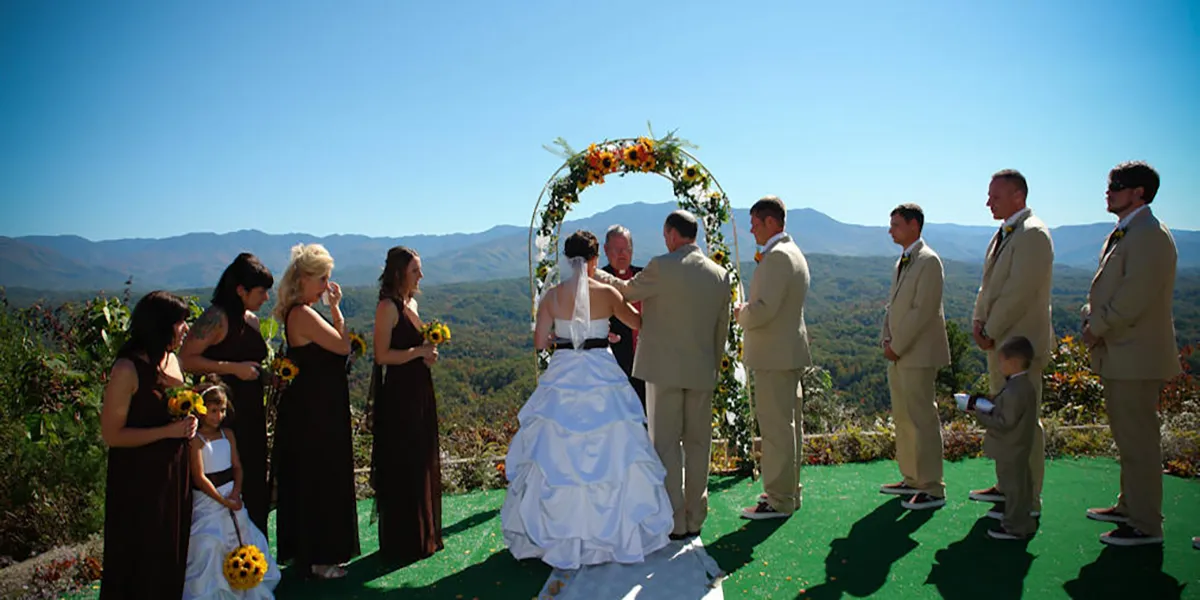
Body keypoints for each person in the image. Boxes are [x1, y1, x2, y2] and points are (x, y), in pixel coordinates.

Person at [502, 230, 674, 569]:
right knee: (615, 446)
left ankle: (559, 532)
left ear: (568, 260)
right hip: (601, 370)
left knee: (558, 450)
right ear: (595, 260)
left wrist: (562, 335)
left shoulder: (552, 295)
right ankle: (612, 531)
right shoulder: (608, 292)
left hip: (565, 369)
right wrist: (601, 332)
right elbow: (638, 322)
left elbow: (540, 342)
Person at [594, 211, 733, 540]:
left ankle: (675, 520)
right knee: (699, 444)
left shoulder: (661, 265)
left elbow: (627, 292)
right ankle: (696, 516)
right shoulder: (720, 274)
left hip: (663, 371)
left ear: (671, 234)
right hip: (702, 370)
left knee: (666, 444)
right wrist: (712, 367)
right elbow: (721, 331)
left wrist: (596, 274)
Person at [1082, 161, 1179, 547]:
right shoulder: (1128, 232)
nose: (1109, 191)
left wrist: (1097, 327)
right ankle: (1129, 505)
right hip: (1121, 352)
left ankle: (1145, 524)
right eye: (1109, 184)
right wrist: (1093, 318)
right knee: (1129, 438)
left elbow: (1134, 298)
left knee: (1139, 440)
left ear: (1140, 192)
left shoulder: (1150, 236)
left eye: (1118, 185)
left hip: (1136, 355)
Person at [99, 291, 196, 599]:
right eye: (180, 322)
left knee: (170, 548)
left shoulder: (173, 361)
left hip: (174, 471)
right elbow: (113, 435)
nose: (186, 329)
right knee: (140, 555)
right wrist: (168, 432)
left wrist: (189, 424)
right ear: (160, 325)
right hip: (137, 478)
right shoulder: (126, 369)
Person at [272, 243, 361, 578]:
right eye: (322, 278)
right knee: (322, 479)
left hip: (314, 407)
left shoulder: (300, 311)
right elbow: (341, 346)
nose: (327, 285)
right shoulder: (303, 314)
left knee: (311, 478)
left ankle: (310, 552)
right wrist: (337, 310)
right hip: (315, 412)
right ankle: (320, 558)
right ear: (304, 279)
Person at [968, 170, 1053, 518]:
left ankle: (1028, 500)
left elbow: (1019, 291)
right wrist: (978, 320)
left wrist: (990, 328)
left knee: (1023, 425)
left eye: (996, 196)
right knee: (1004, 420)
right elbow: (988, 287)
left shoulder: (1033, 234)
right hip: (1000, 345)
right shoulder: (1003, 233)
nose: (988, 202)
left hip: (1019, 345)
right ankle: (1007, 487)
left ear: (1019, 196)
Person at [180, 253, 275, 535]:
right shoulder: (216, 318)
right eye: (261, 292)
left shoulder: (253, 321)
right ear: (240, 290)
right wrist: (233, 369)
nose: (266, 298)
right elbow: (186, 359)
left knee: (254, 478)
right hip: (222, 417)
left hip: (252, 412)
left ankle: (255, 552)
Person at [734, 195, 812, 520]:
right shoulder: (791, 252)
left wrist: (740, 313)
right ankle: (789, 491)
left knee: (777, 428)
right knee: (788, 426)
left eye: (754, 225)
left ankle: (778, 499)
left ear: (771, 222)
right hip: (786, 352)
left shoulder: (778, 257)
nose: (752, 232)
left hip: (774, 356)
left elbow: (764, 310)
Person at [369, 246, 444, 564]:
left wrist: (427, 354)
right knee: (404, 461)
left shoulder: (411, 302)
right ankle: (404, 540)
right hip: (399, 394)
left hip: (419, 388)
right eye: (416, 270)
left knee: (421, 457)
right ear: (400, 273)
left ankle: (423, 533)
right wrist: (418, 352)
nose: (421, 275)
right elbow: (382, 356)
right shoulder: (388, 306)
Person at [879, 204, 951, 511]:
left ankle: (932, 486)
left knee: (922, 419)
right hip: (899, 353)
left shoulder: (929, 261)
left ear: (913, 226)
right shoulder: (903, 261)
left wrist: (899, 344)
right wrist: (886, 337)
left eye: (895, 224)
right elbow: (894, 306)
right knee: (904, 419)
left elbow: (923, 311)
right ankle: (911, 477)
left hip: (918, 354)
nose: (890, 230)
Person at [183, 377, 280, 599]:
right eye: (213, 410)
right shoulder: (196, 440)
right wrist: (223, 500)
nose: (219, 416)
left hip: (232, 496)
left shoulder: (229, 435)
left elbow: (237, 466)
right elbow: (199, 477)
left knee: (245, 534)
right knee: (209, 543)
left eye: (223, 410)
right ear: (201, 409)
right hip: (210, 500)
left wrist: (235, 492)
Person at [967, 336, 1039, 541]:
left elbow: (1004, 422)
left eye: (1001, 361)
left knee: (1014, 488)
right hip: (1019, 445)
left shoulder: (1016, 390)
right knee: (1022, 485)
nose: (999, 366)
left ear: (1013, 362)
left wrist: (979, 413)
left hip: (1011, 447)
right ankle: (1023, 521)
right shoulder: (1023, 385)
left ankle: (1015, 526)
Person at [601, 225, 647, 412]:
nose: (623, 254)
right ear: (605, 250)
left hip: (647, 362)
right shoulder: (598, 280)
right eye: (617, 249)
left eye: (627, 249)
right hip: (615, 366)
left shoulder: (644, 277)